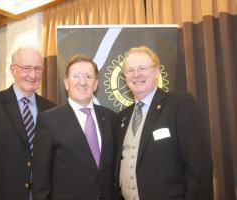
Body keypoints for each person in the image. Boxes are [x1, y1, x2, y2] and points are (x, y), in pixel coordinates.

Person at [114, 46, 213, 200]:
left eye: (142, 68)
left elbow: (199, 166)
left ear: (156, 71)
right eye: (130, 70)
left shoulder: (179, 104)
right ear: (125, 76)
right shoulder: (122, 117)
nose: (136, 74)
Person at [0, 46, 56, 200]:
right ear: (13, 69)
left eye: (38, 69)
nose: (32, 75)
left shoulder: (52, 109)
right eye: (26, 68)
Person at [32, 54, 117, 200]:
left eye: (88, 77)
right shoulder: (48, 121)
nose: (82, 82)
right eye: (76, 76)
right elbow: (40, 180)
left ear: (96, 83)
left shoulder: (112, 118)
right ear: (66, 83)